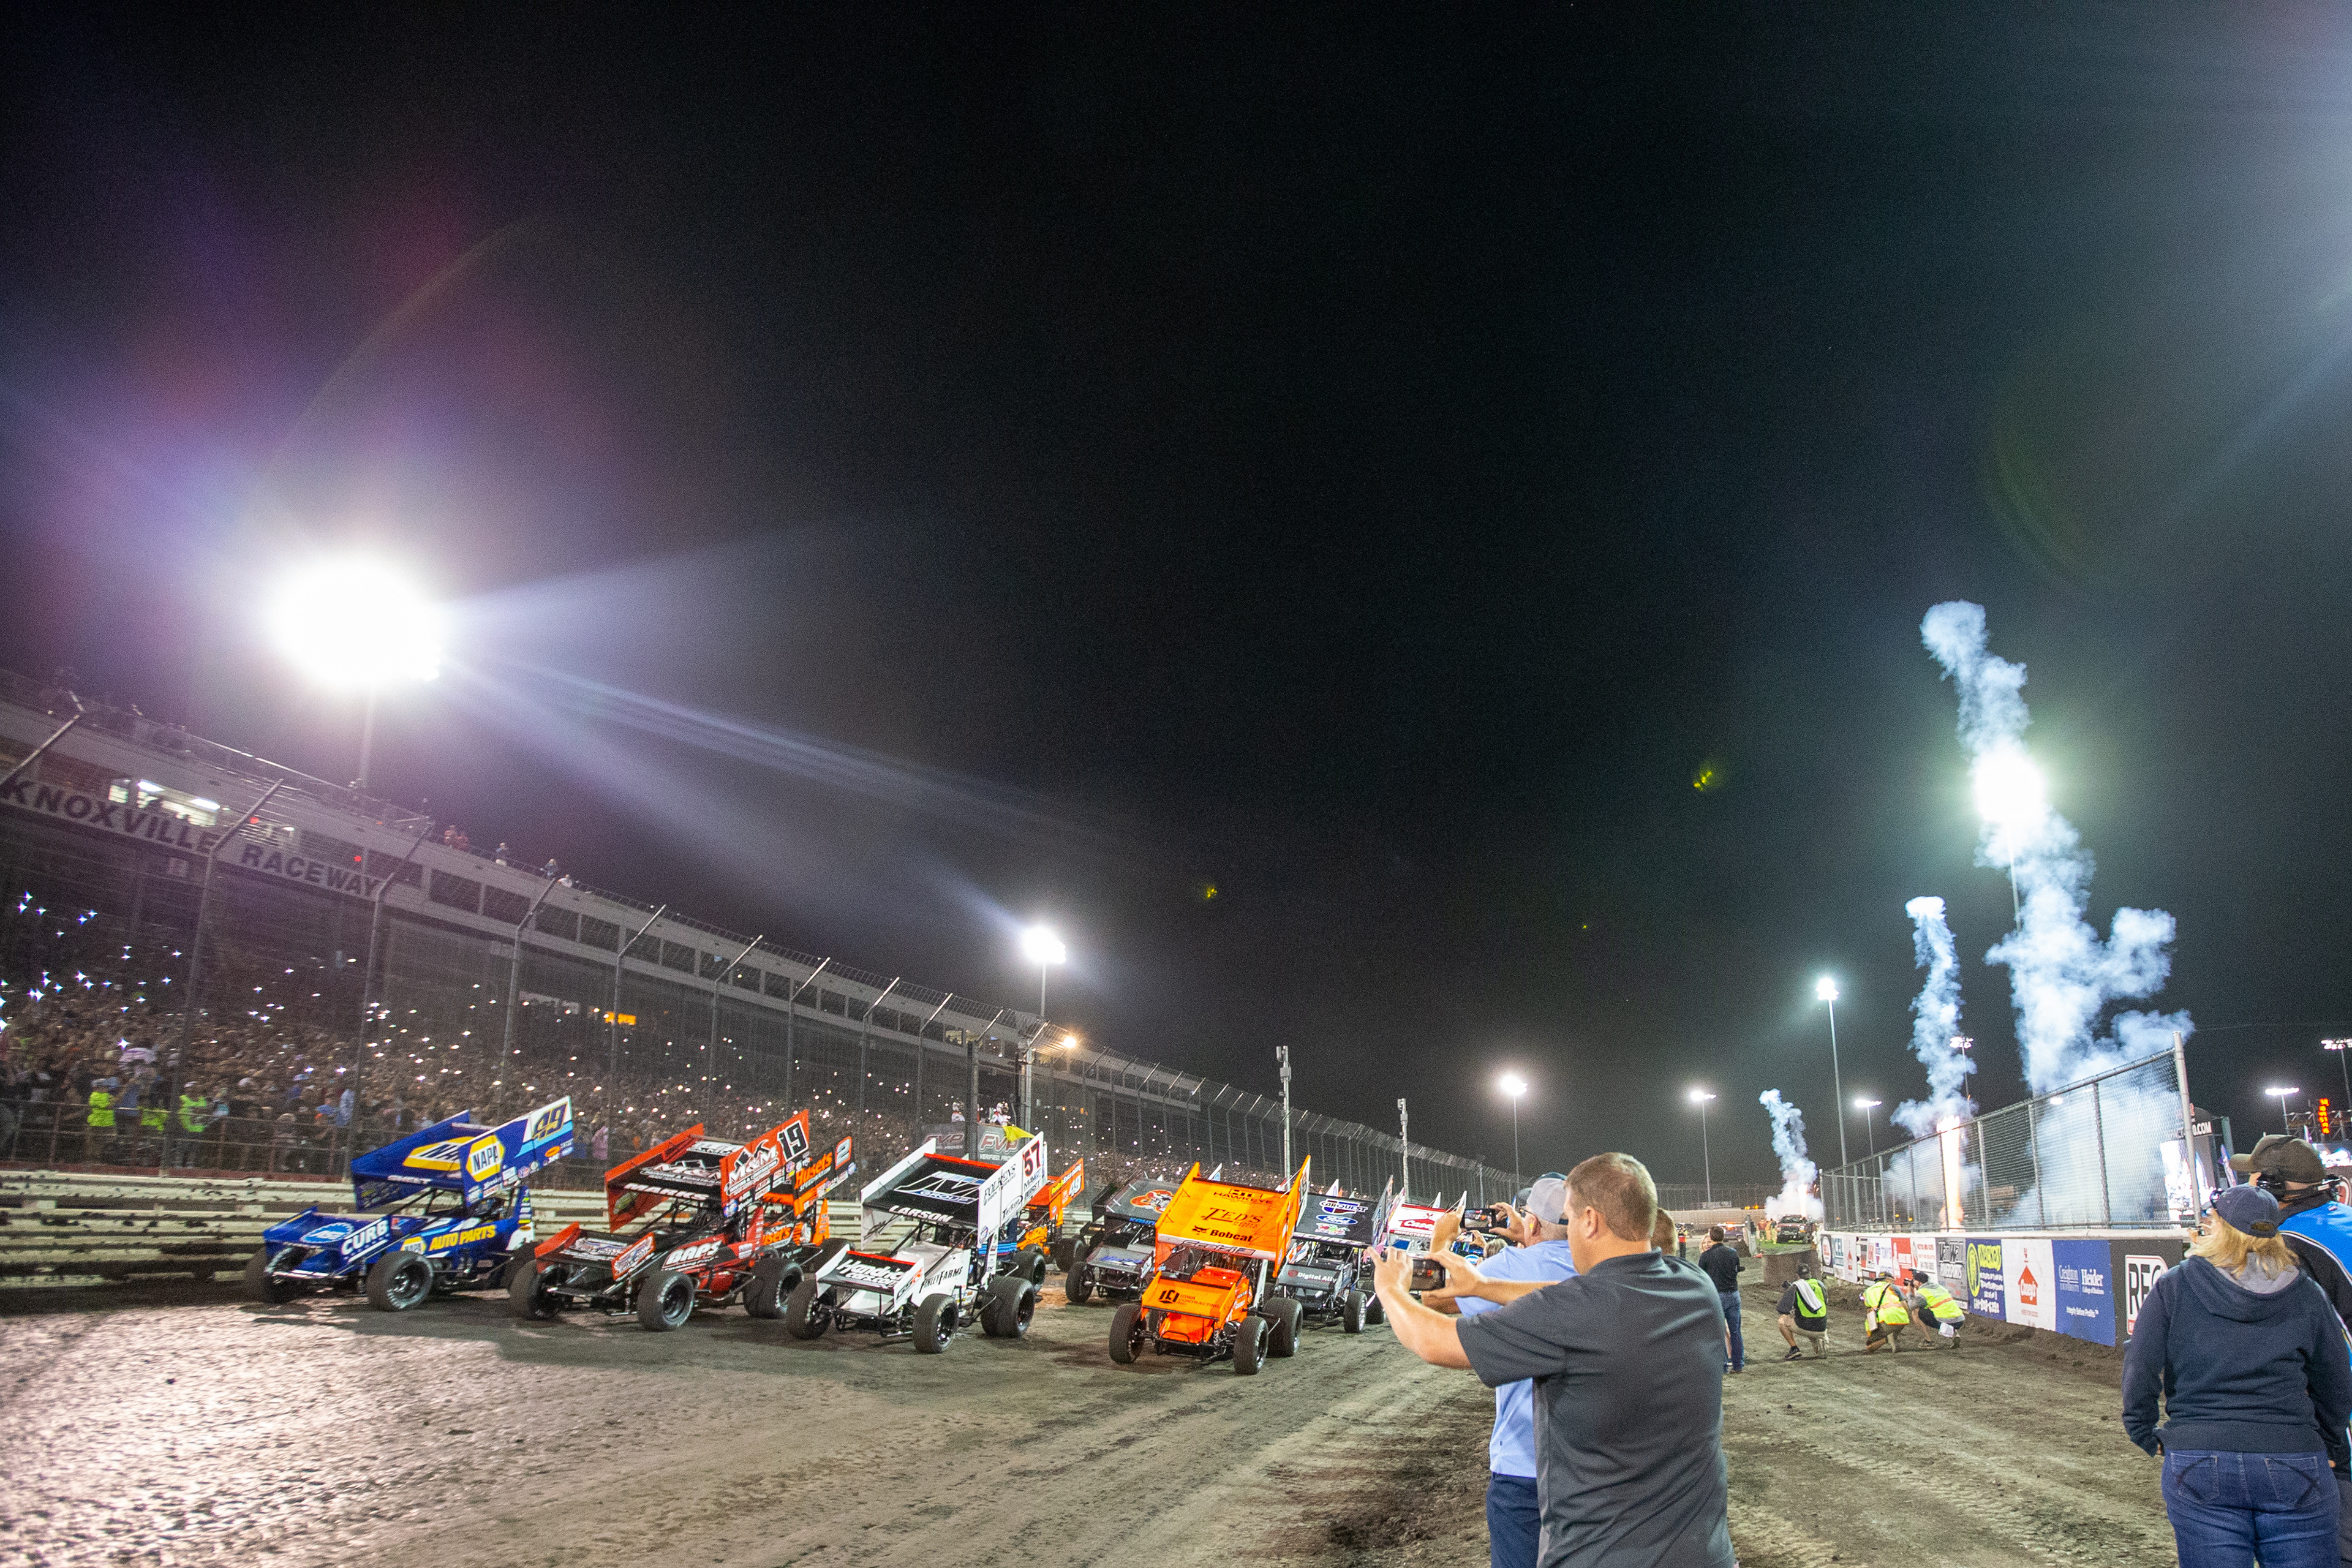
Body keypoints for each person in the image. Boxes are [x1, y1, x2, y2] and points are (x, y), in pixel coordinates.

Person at [1374, 1152, 1735, 1568]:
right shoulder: (1694, 1285)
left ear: (1590, 1221)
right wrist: (1487, 1286)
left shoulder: (1572, 1312)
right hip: (1704, 1553)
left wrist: (1390, 1289)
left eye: (1570, 1216)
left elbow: (1432, 1341)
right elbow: (1581, 1298)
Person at [2124, 1183, 2352, 1568]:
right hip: (2294, 1457)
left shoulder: (2174, 1286)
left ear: (2222, 1228)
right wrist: (2334, 1446)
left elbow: (2140, 1365)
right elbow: (2335, 1379)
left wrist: (2144, 1431)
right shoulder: (2307, 1293)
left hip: (2198, 1456)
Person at [1420, 1178, 1580, 1568]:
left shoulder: (1507, 1266)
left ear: (1534, 1223)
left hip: (1523, 1466)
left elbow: (1433, 1299)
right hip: (1591, 1469)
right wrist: (1526, 1236)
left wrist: (1439, 1242)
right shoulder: (1602, 1270)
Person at [2234, 1133, 2352, 1564]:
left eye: (2254, 1177)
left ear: (2272, 1186)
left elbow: (2282, 1354)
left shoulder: (2286, 1247)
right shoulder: (2343, 1218)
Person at [1697, 1224, 1744, 1373]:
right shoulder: (1732, 1252)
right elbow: (1736, 1270)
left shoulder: (1706, 1256)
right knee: (1735, 1331)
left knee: (1719, 1332)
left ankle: (1723, 1366)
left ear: (1711, 1238)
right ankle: (1738, 1364)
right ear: (1723, 1237)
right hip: (1734, 1294)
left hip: (1717, 1296)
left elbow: (1702, 1277)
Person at [1777, 1263, 1830, 1359]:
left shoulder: (1795, 1287)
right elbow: (1826, 1301)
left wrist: (1788, 1290)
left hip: (1805, 1326)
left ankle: (1794, 1348)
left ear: (1798, 1275)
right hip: (1822, 1325)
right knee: (1812, 1318)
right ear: (1810, 1273)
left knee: (1782, 1321)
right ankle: (1821, 1339)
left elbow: (1784, 1309)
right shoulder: (1820, 1284)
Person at [1907, 1269, 1966, 1347]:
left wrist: (1910, 1293)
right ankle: (1955, 1333)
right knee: (1936, 1308)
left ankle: (1928, 1341)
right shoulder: (1939, 1287)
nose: (1913, 1283)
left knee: (1916, 1312)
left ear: (1919, 1282)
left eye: (1914, 1281)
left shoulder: (1922, 1293)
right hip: (1960, 1320)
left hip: (1945, 1321)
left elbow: (1912, 1306)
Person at [1861, 1271, 1911, 1352]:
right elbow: (1904, 1304)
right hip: (1902, 1319)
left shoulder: (1867, 1291)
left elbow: (1869, 1311)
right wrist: (1908, 1315)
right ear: (1887, 1279)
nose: (1893, 1281)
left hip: (1885, 1321)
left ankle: (1888, 1339)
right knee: (1895, 1327)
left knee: (1869, 1345)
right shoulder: (1893, 1287)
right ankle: (1893, 1337)